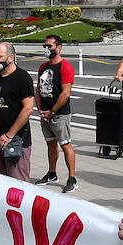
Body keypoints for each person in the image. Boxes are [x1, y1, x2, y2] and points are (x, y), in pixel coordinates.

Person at [33, 34, 79, 193]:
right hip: (45, 114)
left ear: (58, 48)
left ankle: (72, 178)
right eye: (45, 46)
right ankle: (52, 173)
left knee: (65, 144)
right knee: (50, 143)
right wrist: (39, 109)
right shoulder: (43, 67)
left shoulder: (65, 67)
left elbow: (65, 93)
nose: (46, 49)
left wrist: (52, 111)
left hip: (59, 114)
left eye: (49, 46)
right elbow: (38, 88)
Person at [0, 42, 35, 181]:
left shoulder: (22, 78)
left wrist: (9, 135)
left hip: (15, 141)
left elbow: (28, 108)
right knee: (0, 184)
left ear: (11, 57)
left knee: (18, 186)